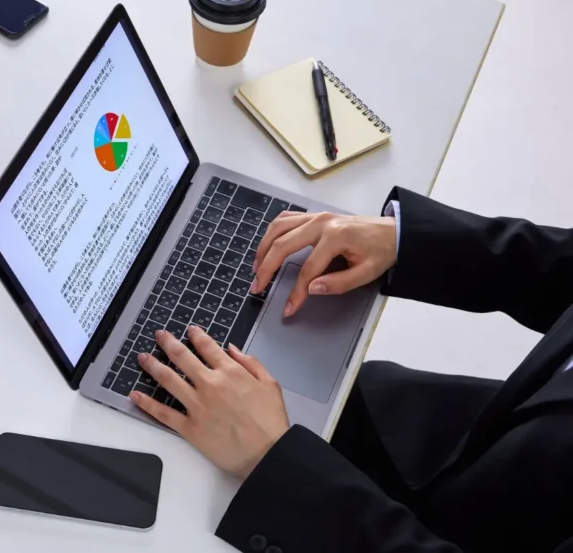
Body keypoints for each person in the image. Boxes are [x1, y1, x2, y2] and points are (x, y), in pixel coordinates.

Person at [132, 187, 573, 552]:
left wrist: (274, 462)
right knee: (342, 391)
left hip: (426, 534)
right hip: (490, 440)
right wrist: (402, 240)